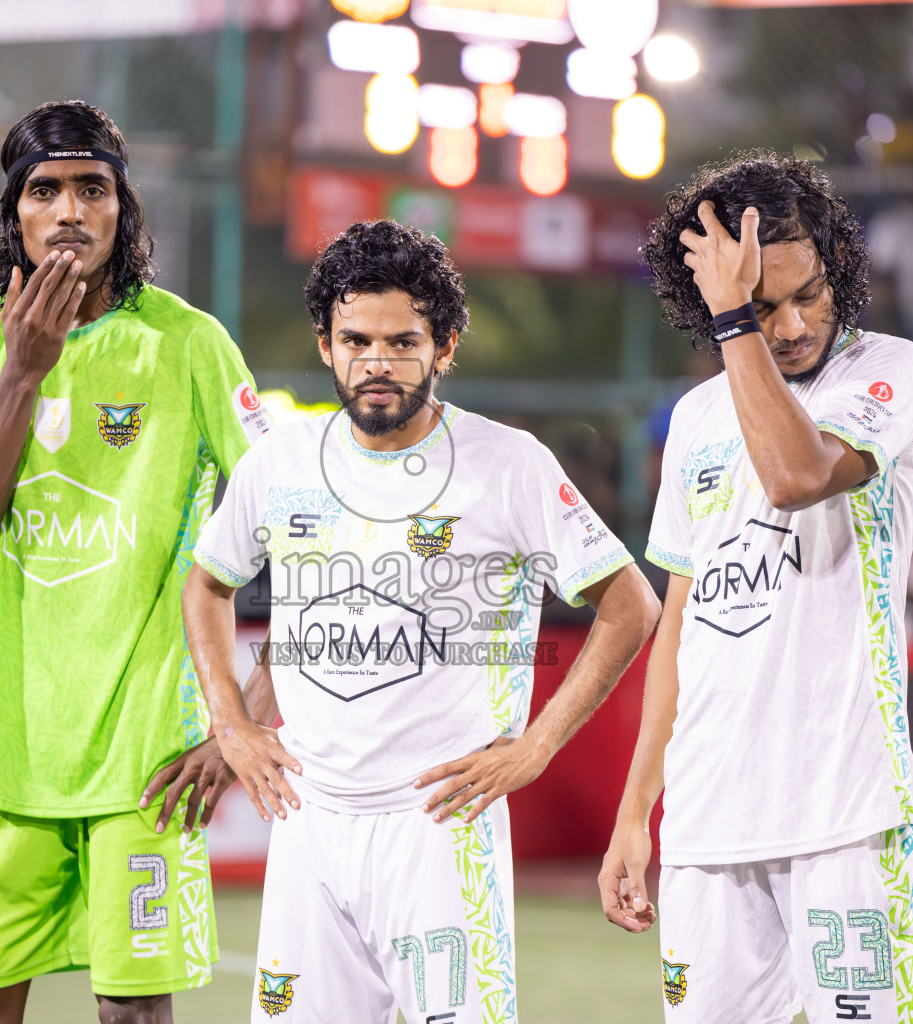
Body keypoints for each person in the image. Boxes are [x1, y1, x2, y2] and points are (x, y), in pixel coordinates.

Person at [185, 219, 660, 1024]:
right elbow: (206, 586)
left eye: (403, 341)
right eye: (356, 339)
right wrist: (229, 720)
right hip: (308, 820)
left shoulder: (507, 463)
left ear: (443, 348)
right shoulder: (282, 462)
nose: (377, 362)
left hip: (441, 826)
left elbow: (632, 605)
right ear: (327, 345)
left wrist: (535, 747)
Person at [0, 100, 271, 1024]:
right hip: (10, 759)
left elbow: (309, 540)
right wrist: (24, 373)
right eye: (45, 191)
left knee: (131, 1018)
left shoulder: (189, 344)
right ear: (13, 215)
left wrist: (244, 727)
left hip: (144, 765)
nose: (69, 210)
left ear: (124, 209)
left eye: (92, 189)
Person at [599, 152, 913, 1024]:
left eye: (806, 294)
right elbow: (682, 626)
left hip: (844, 813)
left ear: (840, 271)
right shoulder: (698, 420)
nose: (788, 325)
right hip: (710, 818)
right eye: (760, 305)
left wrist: (732, 321)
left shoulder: (889, 372)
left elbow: (796, 474)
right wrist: (637, 810)